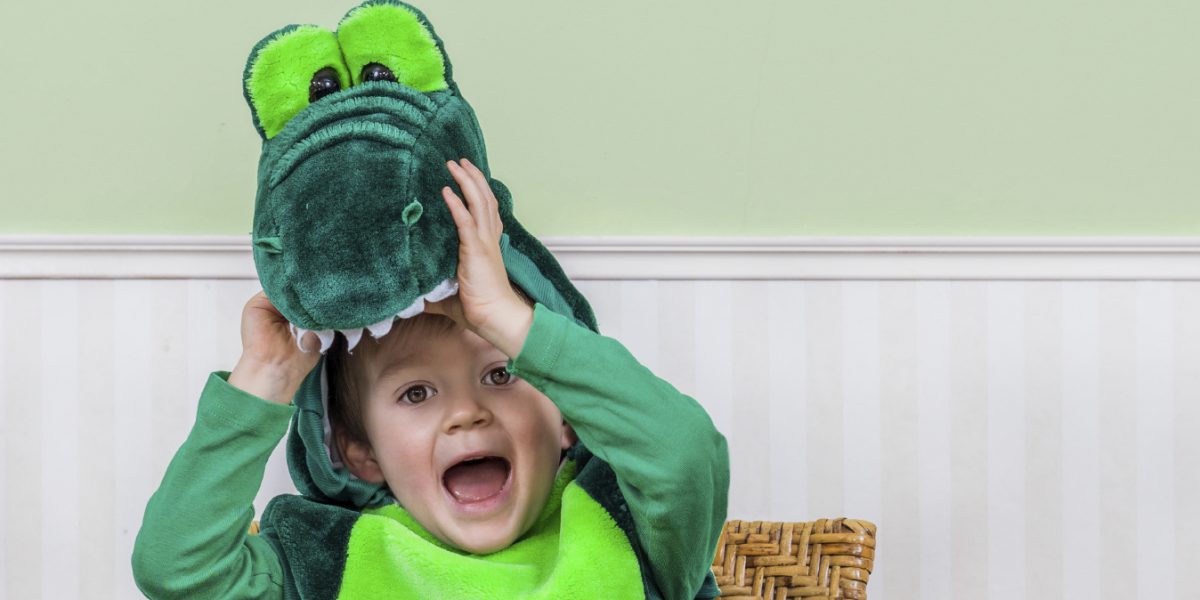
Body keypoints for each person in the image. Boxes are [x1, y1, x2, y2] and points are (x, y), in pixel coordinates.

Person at [132, 159, 730, 599]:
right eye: (416, 393)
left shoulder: (630, 525)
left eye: (501, 373)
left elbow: (683, 455)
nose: (467, 413)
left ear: (567, 414)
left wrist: (508, 321)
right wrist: (264, 375)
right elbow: (178, 570)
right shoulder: (327, 564)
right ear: (358, 450)